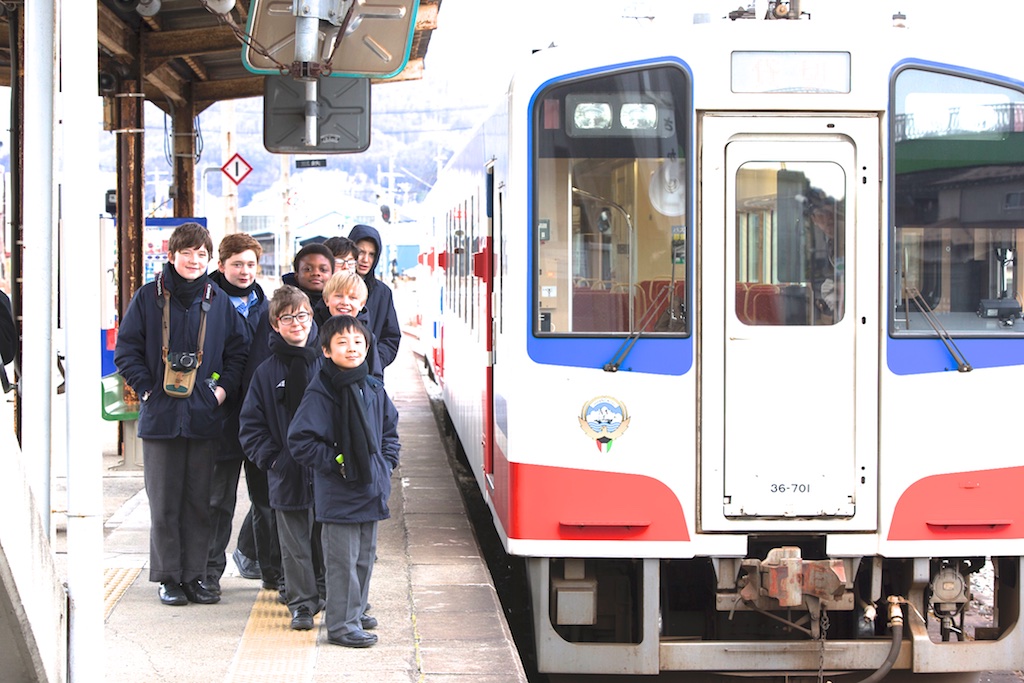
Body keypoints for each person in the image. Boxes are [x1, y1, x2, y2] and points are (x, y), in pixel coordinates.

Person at [114, 222, 248, 606]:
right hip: (161, 417)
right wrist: (148, 390)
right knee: (165, 503)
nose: (194, 260)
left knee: (199, 502)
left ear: (209, 260)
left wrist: (219, 392)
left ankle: (196, 576)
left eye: (201, 254)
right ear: (171, 255)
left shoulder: (217, 300)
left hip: (204, 416)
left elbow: (238, 352)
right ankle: (168, 577)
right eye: (186, 253)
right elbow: (127, 350)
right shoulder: (148, 297)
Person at [287, 315, 399, 648]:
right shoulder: (321, 390)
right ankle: (341, 625)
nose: (352, 348)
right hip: (339, 491)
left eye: (358, 342)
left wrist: (385, 465)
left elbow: (390, 432)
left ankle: (355, 613)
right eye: (342, 343)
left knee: (363, 558)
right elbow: (300, 440)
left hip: (371, 486)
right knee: (342, 562)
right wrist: (338, 462)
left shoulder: (373, 387)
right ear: (326, 350)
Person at [239, 285, 323, 630]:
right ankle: (301, 603)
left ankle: (333, 596)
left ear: (312, 317)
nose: (296, 323)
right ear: (275, 324)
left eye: (301, 315)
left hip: (325, 471)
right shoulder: (266, 372)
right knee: (293, 544)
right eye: (287, 318)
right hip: (286, 473)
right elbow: (250, 426)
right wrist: (273, 460)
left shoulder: (328, 363)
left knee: (328, 540)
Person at [204, 233, 282, 598]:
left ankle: (272, 573)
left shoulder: (267, 308)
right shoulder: (205, 303)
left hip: (260, 422)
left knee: (266, 501)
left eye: (251, 264)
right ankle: (209, 574)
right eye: (237, 264)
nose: (244, 271)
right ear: (221, 266)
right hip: (220, 418)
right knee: (217, 502)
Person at [347, 224, 401, 373]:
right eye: (361, 252)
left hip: (369, 376)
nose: (365, 259)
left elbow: (391, 337)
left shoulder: (383, 293)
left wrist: (374, 362)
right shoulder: (333, 287)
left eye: (372, 254)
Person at [320, 271, 382, 380]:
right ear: (326, 300)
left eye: (352, 297)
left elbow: (375, 377)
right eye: (339, 296)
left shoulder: (366, 335)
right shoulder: (316, 329)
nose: (345, 302)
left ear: (362, 304)